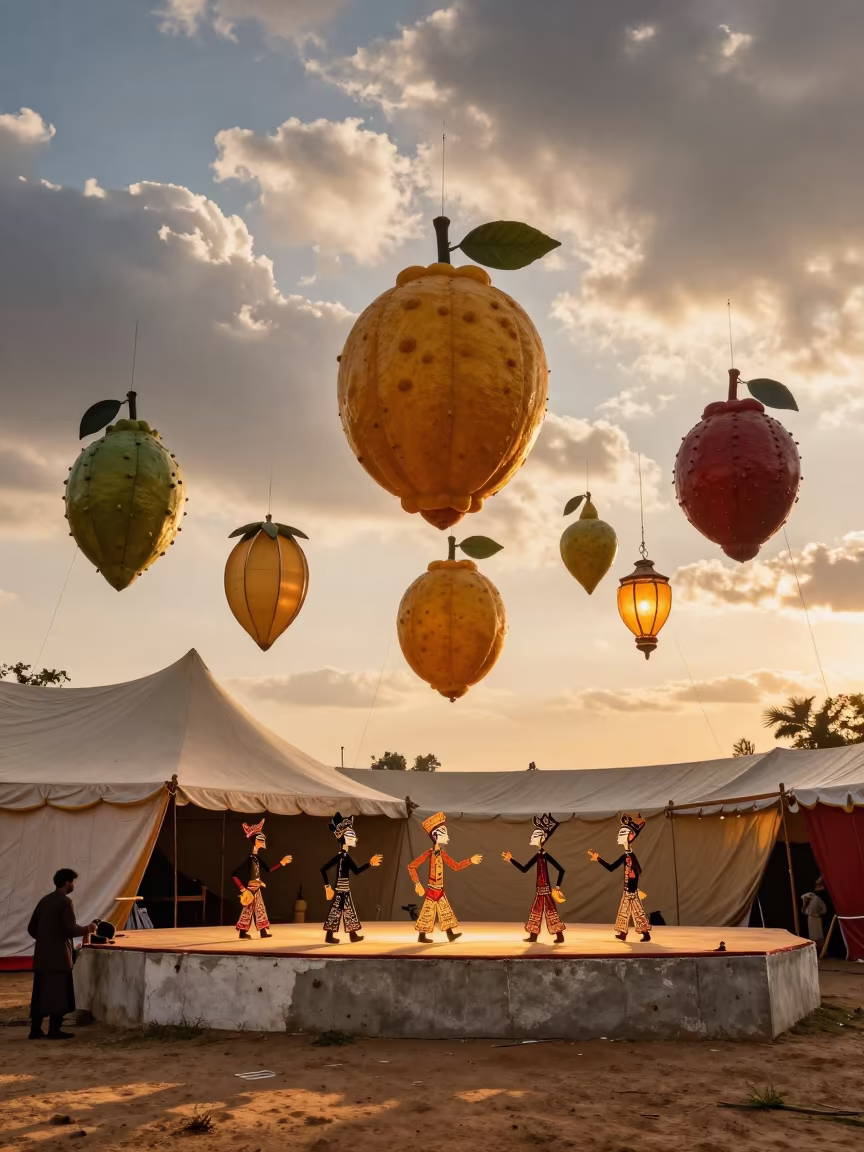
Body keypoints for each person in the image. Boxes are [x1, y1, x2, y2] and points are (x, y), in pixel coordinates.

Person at [27, 868, 97, 1040]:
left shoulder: (44, 901)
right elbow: (71, 928)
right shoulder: (65, 902)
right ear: (67, 882)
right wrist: (89, 928)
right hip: (58, 957)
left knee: (40, 993)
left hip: (42, 957)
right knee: (58, 994)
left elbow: (31, 928)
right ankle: (54, 1030)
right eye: (74, 882)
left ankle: (35, 1029)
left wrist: (45, 939)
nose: (74, 885)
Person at [407, 812, 482, 943]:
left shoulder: (443, 854)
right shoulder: (429, 854)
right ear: (435, 836)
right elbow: (411, 866)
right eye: (444, 833)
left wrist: (470, 860)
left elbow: (456, 866)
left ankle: (449, 934)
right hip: (432, 889)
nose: (447, 836)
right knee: (428, 913)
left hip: (439, 889)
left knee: (444, 912)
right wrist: (417, 883)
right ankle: (423, 935)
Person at [502, 813, 566, 944]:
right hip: (540, 889)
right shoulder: (538, 855)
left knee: (549, 912)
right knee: (539, 911)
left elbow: (561, 869)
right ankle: (536, 936)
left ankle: (557, 936)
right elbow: (525, 869)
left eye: (535, 835)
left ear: (542, 838)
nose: (532, 837)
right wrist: (511, 860)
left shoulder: (543, 855)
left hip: (546, 890)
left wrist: (557, 886)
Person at [588, 813, 651, 942]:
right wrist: (598, 859)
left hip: (631, 889)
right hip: (627, 888)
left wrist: (634, 878)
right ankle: (623, 932)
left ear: (630, 836)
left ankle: (645, 933)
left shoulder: (630, 856)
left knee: (637, 911)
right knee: (624, 911)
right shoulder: (625, 856)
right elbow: (611, 867)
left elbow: (638, 869)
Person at [320, 813, 383, 944]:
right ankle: (333, 936)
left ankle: (349, 935)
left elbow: (355, 871)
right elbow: (324, 869)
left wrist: (369, 864)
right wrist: (327, 887)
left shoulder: (344, 857)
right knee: (340, 912)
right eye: (350, 835)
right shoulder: (343, 857)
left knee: (346, 912)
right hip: (341, 890)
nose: (354, 838)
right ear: (343, 838)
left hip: (344, 889)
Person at [231, 818, 292, 940]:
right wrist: (243, 889)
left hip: (256, 886)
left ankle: (256, 932)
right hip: (251, 888)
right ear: (255, 841)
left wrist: (281, 863)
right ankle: (249, 932)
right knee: (252, 909)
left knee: (258, 909)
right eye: (260, 839)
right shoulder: (250, 859)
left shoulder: (257, 858)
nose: (263, 841)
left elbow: (268, 869)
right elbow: (234, 874)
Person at [801, 880, 828, 946]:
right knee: (812, 935)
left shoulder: (817, 899)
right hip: (810, 919)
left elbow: (824, 909)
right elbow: (804, 911)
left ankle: (821, 948)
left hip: (816, 919)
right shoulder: (806, 901)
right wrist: (804, 904)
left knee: (818, 934)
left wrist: (819, 914)